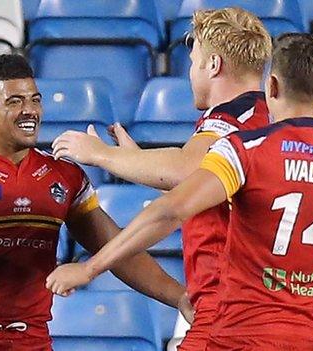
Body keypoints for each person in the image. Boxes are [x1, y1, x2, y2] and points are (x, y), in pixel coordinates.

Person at [46, 33, 313, 350]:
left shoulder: (246, 150)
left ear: (271, 84)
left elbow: (172, 209)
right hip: (312, 340)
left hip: (239, 337)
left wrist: (89, 268)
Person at [0, 54, 193, 350]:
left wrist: (178, 296)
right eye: (14, 102)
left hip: (31, 339)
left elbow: (116, 248)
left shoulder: (65, 176)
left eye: (35, 100)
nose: (29, 111)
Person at [51, 7, 272, 350]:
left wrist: (99, 154)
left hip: (226, 317)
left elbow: (184, 173)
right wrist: (135, 158)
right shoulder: (267, 121)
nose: (190, 73)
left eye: (194, 60)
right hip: (254, 312)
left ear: (213, 65)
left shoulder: (230, 122)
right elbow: (202, 182)